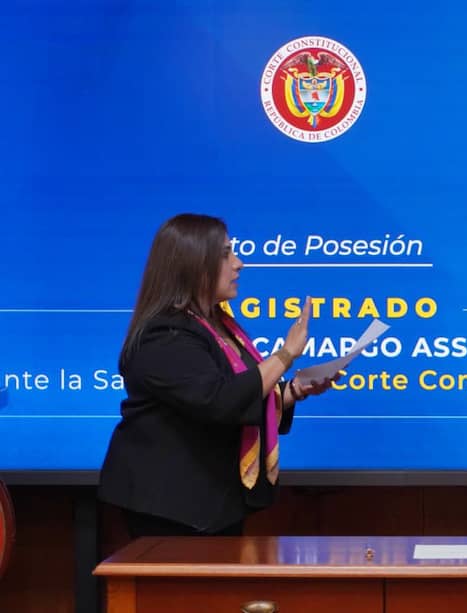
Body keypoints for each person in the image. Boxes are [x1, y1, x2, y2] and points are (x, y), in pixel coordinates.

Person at [99, 213, 336, 537]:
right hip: (171, 505)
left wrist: (294, 390)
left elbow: (239, 394)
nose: (239, 264)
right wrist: (285, 354)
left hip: (214, 501)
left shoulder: (219, 325)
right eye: (226, 254)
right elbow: (220, 401)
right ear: (194, 265)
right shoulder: (164, 335)